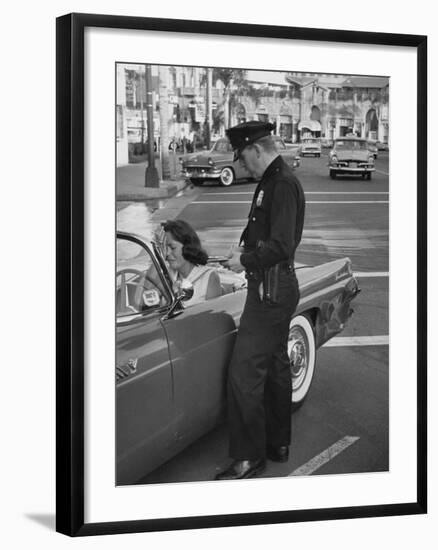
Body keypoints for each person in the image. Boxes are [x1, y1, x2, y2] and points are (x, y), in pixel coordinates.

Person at [215, 121, 305, 481]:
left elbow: (283, 244)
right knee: (276, 364)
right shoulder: (273, 179)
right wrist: (242, 251)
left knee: (244, 372)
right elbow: (266, 234)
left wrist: (245, 261)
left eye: (243, 157)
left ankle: (249, 457)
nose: (242, 165)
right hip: (275, 286)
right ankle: (277, 443)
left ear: (255, 149)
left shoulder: (280, 183)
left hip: (270, 290)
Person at [162, 220, 222, 306]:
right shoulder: (166, 275)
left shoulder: (209, 277)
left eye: (172, 248)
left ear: (187, 247)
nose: (167, 254)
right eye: (165, 248)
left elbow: (213, 317)